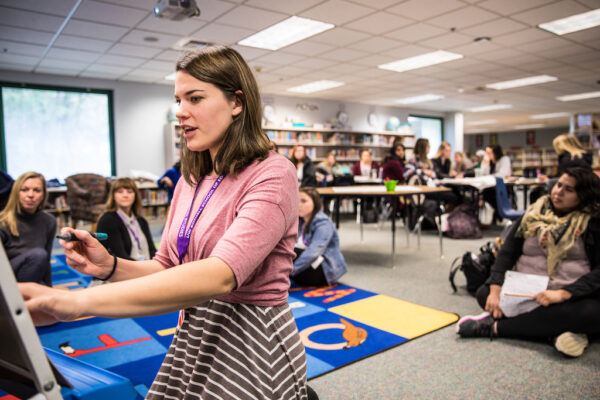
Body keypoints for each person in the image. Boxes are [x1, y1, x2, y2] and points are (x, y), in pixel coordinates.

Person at [20, 46, 312, 400]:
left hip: (250, 344)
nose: (181, 113)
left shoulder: (273, 172)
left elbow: (218, 275)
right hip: (194, 335)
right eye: (178, 100)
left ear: (237, 103)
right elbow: (168, 266)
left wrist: (78, 303)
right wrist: (111, 266)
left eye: (195, 98)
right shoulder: (190, 179)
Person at [456, 167, 600, 358]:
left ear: (584, 196)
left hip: (568, 294)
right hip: (527, 291)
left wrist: (564, 294)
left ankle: (496, 327)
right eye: (558, 185)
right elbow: (507, 253)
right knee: (484, 294)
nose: (558, 192)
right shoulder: (533, 213)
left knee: (591, 313)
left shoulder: (594, 222)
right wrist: (495, 287)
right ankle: (554, 333)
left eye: (569, 190)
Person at [0, 171, 56, 286]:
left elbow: (46, 262)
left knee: (52, 297)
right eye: (24, 189)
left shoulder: (49, 221)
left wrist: (49, 289)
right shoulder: (2, 221)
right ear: (16, 193)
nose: (30, 195)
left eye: (37, 190)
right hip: (6, 277)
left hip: (32, 274)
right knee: (38, 255)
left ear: (43, 195)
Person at [291, 187, 347, 286]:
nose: (299, 205)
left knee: (293, 253)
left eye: (304, 201)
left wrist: (291, 270)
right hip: (311, 264)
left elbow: (313, 252)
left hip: (325, 269)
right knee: (285, 252)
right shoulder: (301, 221)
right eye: (297, 200)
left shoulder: (323, 223)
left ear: (315, 203)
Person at [97, 177, 156, 261]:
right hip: (125, 269)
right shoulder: (108, 220)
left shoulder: (141, 221)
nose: (125, 195)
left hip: (146, 266)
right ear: (113, 196)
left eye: (129, 192)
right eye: (120, 192)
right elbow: (120, 256)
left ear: (135, 196)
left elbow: (152, 250)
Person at [530, 134, 593, 203]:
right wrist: (549, 177)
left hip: (572, 192)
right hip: (585, 192)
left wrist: (548, 180)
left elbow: (565, 180)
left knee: (535, 193)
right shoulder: (583, 157)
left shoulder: (568, 160)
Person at [481, 145, 513, 220]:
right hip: (490, 187)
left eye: (489, 153)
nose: (487, 155)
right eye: (486, 153)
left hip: (503, 187)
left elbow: (503, 174)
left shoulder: (504, 159)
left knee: (491, 194)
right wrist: (486, 165)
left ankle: (499, 212)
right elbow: (483, 175)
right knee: (485, 193)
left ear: (495, 152)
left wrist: (490, 177)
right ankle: (498, 212)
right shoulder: (488, 162)